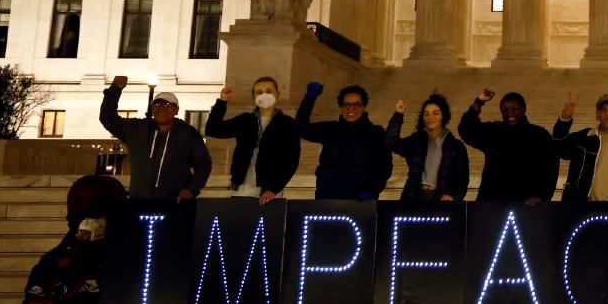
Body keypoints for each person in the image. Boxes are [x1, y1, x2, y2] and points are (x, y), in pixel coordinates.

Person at [99, 76, 211, 201]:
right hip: (139, 202)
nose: (161, 108)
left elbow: (203, 165)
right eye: (157, 104)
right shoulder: (137, 129)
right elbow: (108, 118)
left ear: (176, 110)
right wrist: (115, 89)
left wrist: (191, 189)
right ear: (152, 109)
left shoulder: (188, 134)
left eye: (167, 104)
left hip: (176, 203)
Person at [203, 76, 300, 204]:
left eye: (269, 91)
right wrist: (222, 101)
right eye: (259, 92)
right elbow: (213, 130)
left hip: (269, 190)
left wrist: (274, 188)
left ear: (278, 94)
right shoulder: (245, 120)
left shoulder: (288, 124)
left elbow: (292, 161)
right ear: (253, 96)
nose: (264, 95)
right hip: (242, 186)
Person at [295, 81, 392, 201]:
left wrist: (373, 190)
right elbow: (300, 128)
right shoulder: (330, 129)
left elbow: (385, 166)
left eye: (356, 105)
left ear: (363, 107)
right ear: (341, 108)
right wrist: (309, 98)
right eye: (346, 105)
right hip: (328, 198)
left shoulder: (376, 133)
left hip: (361, 201)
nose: (351, 109)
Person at [458, 89, 558, 203]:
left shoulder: (539, 135)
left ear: (524, 109)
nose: (510, 113)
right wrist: (479, 102)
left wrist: (542, 196)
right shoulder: (494, 132)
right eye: (505, 110)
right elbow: (466, 130)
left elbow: (551, 169)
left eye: (514, 109)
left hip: (527, 205)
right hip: (492, 202)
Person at [386, 92, 470, 202]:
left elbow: (462, 178)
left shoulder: (456, 146)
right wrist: (398, 114)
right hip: (414, 197)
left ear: (443, 116)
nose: (430, 117)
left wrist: (454, 196)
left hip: (441, 199)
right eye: (426, 114)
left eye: (435, 113)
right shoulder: (416, 141)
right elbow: (390, 143)